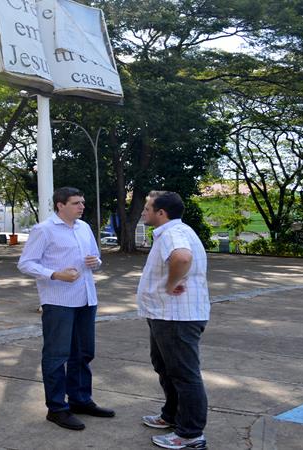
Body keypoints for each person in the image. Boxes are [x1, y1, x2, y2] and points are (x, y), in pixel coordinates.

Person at [17, 187, 114, 431]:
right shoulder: (44, 230)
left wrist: (96, 262)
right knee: (56, 355)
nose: (82, 207)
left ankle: (81, 400)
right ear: (60, 205)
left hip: (86, 298)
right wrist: (55, 274)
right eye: (76, 203)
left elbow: (96, 258)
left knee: (83, 353)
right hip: (59, 300)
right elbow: (26, 263)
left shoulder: (84, 228)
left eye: (82, 202)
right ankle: (57, 408)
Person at [137, 191, 210, 449]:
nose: (144, 212)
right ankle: (172, 416)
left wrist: (171, 283)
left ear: (161, 213)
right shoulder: (173, 232)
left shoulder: (171, 233)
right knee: (166, 367)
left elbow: (182, 257)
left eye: (147, 208)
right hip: (165, 315)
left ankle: (190, 434)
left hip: (176, 316)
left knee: (184, 374)